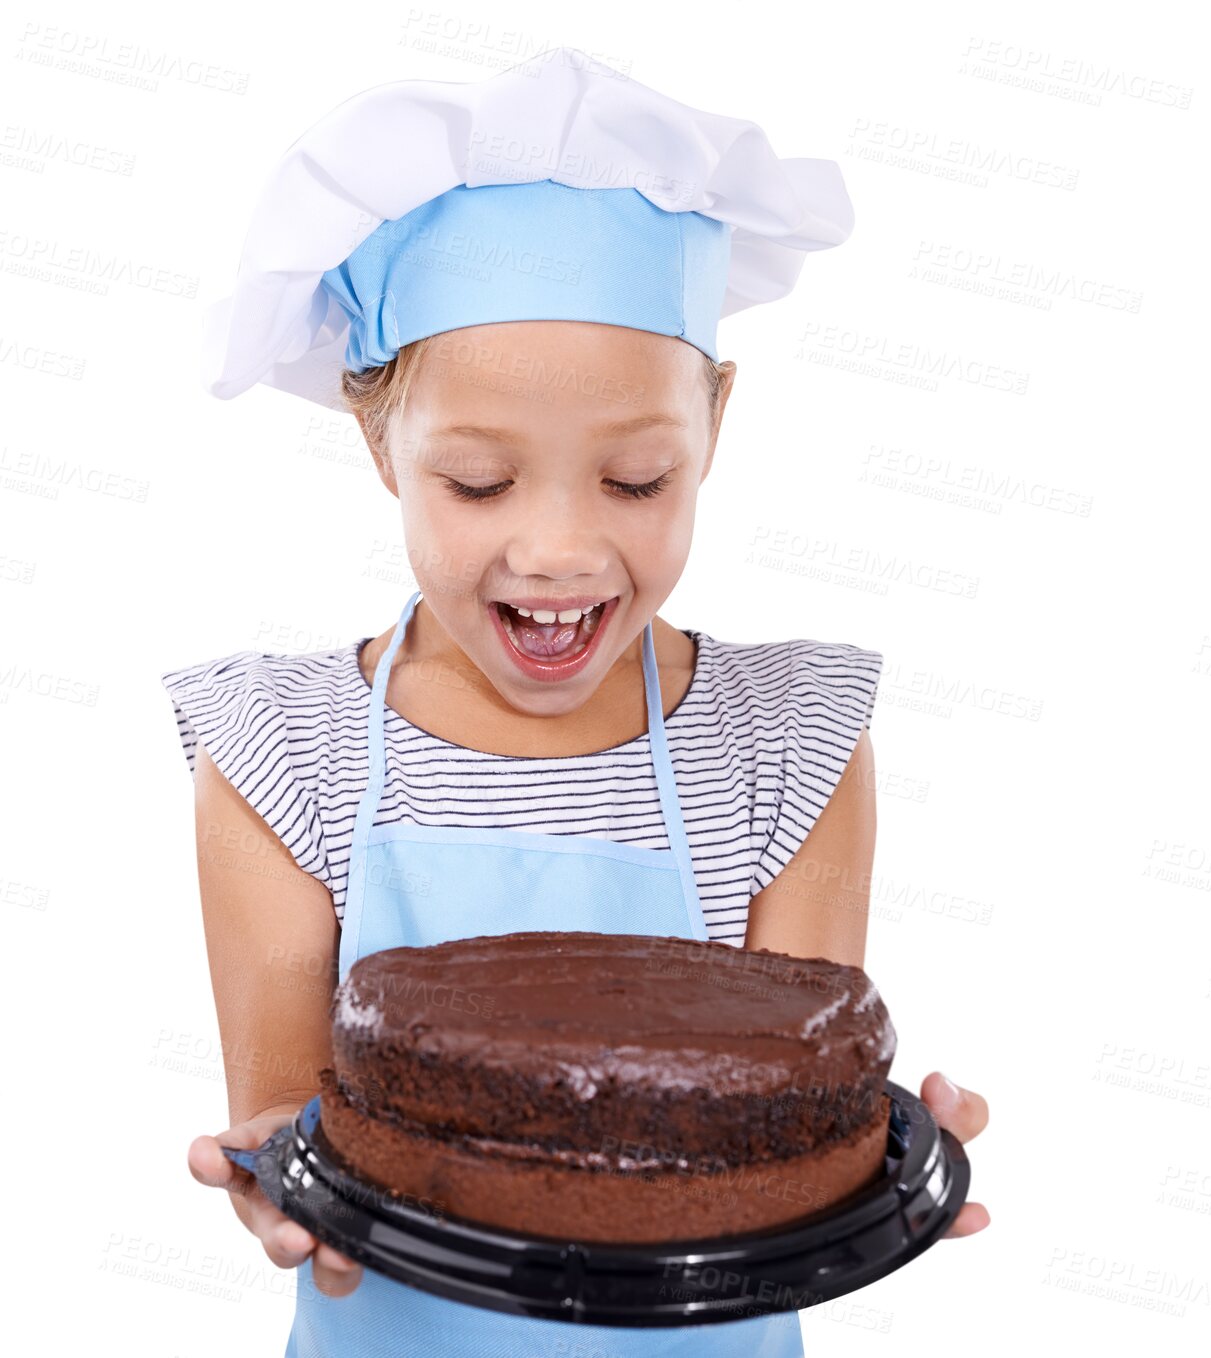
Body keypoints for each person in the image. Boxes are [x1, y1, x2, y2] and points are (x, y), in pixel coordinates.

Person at [162, 46, 990, 1357]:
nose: (556, 549)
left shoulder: (789, 740)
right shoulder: (282, 754)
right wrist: (267, 1186)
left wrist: (874, 1157)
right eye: (481, 483)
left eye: (637, 479)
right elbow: (280, 1112)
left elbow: (782, 1086)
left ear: (711, 428)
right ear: (379, 442)